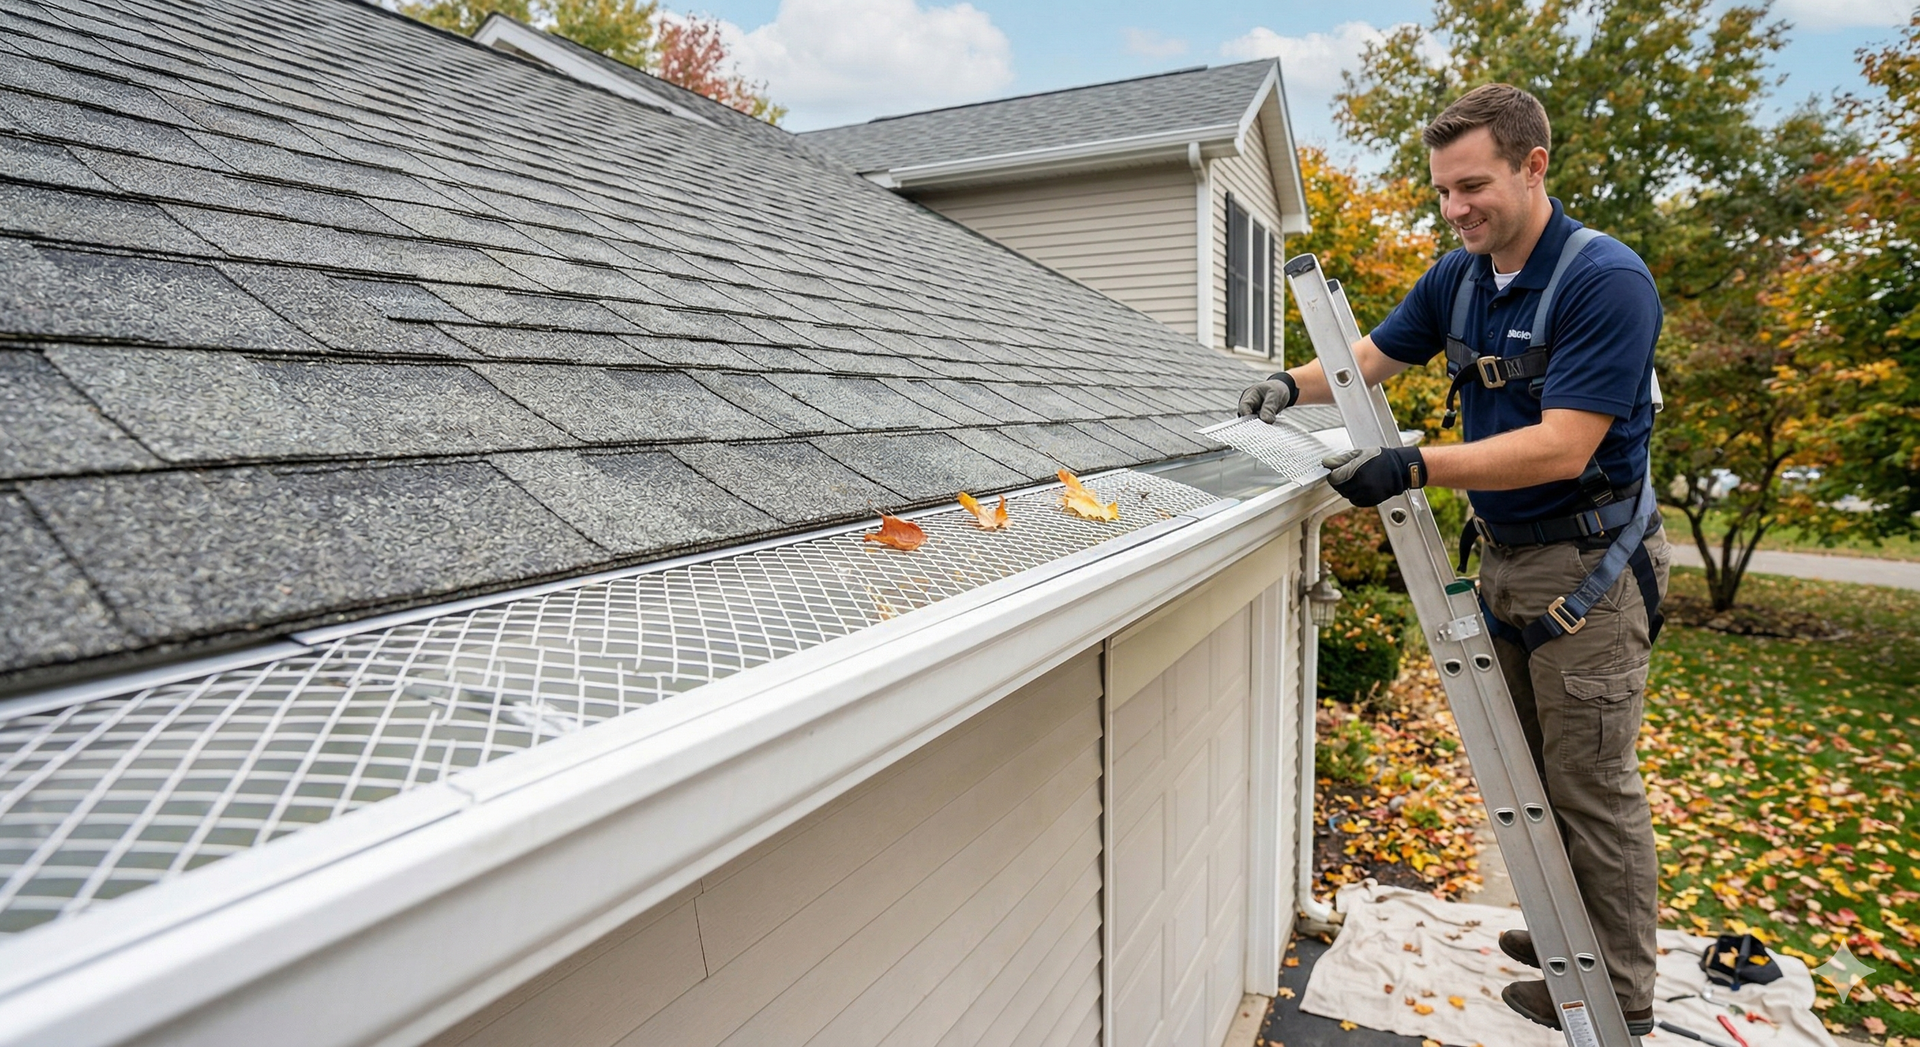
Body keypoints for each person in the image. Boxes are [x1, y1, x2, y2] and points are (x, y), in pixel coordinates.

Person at [1238, 83, 1669, 1034]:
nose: (1455, 208)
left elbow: (1564, 445)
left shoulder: (1603, 281)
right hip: (1508, 557)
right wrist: (1287, 384)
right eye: (1441, 191)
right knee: (1528, 774)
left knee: (1592, 787)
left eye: (1471, 185)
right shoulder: (1459, 277)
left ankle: (1622, 995)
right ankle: (1568, 933)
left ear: (1532, 164)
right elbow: (1369, 360)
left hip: (1588, 571)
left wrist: (1415, 463)